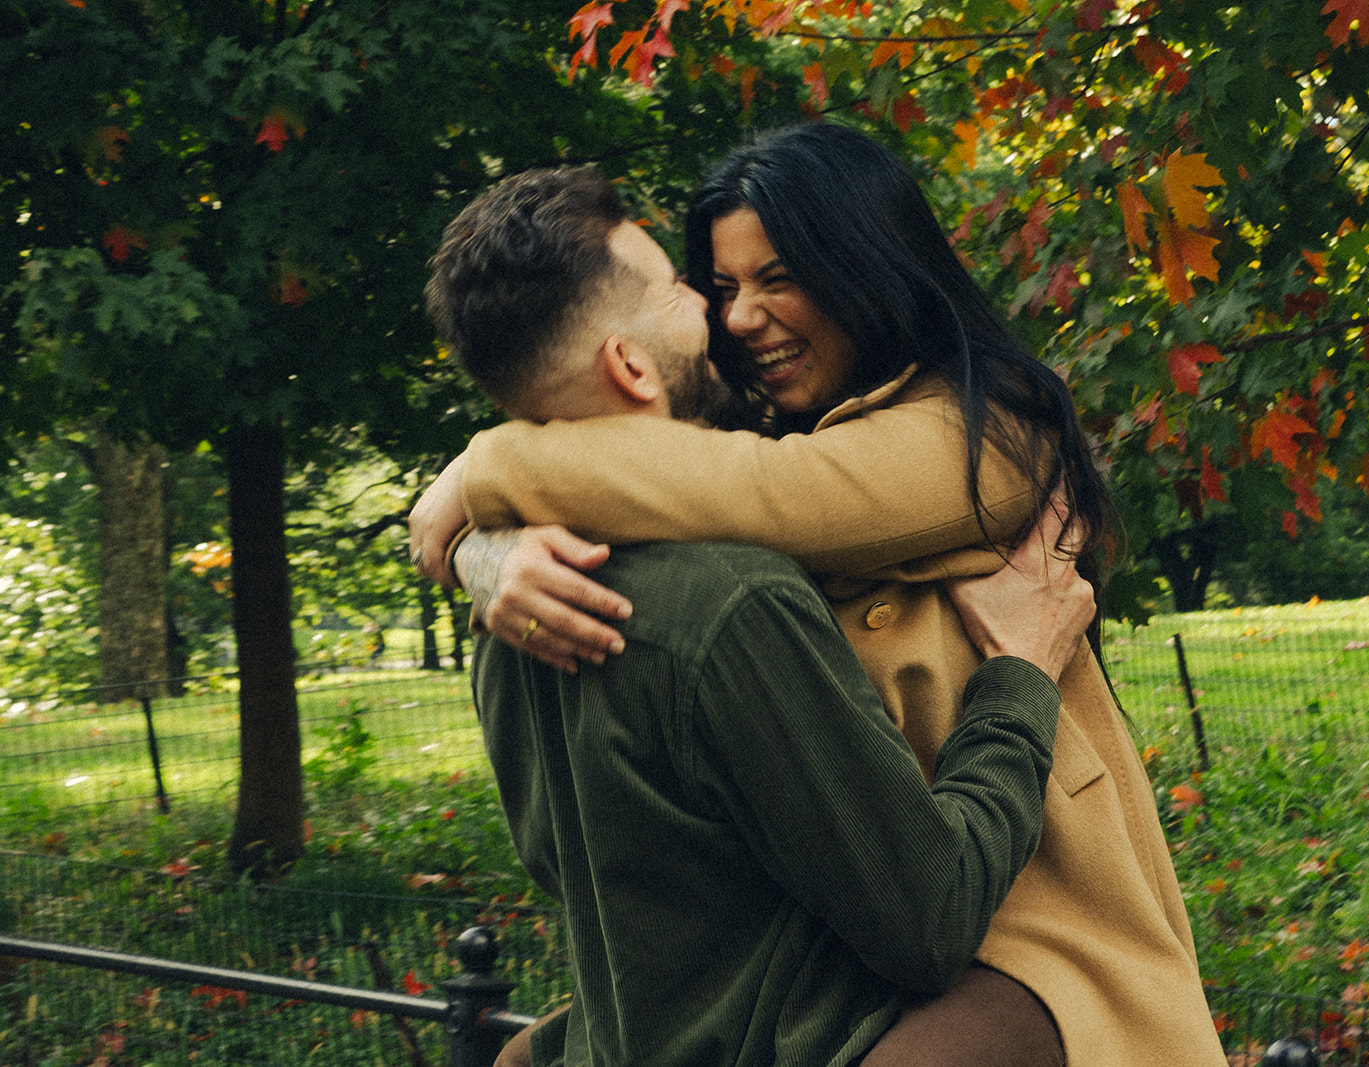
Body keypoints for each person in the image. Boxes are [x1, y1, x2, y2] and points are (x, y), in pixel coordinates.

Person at [413, 124, 1228, 1065]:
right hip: (859, 932)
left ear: (863, 266)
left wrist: (484, 470)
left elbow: (769, 496)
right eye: (719, 288)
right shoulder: (732, 438)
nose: (742, 316)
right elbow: (654, 450)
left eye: (781, 276)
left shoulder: (991, 432)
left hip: (1034, 922)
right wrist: (490, 553)